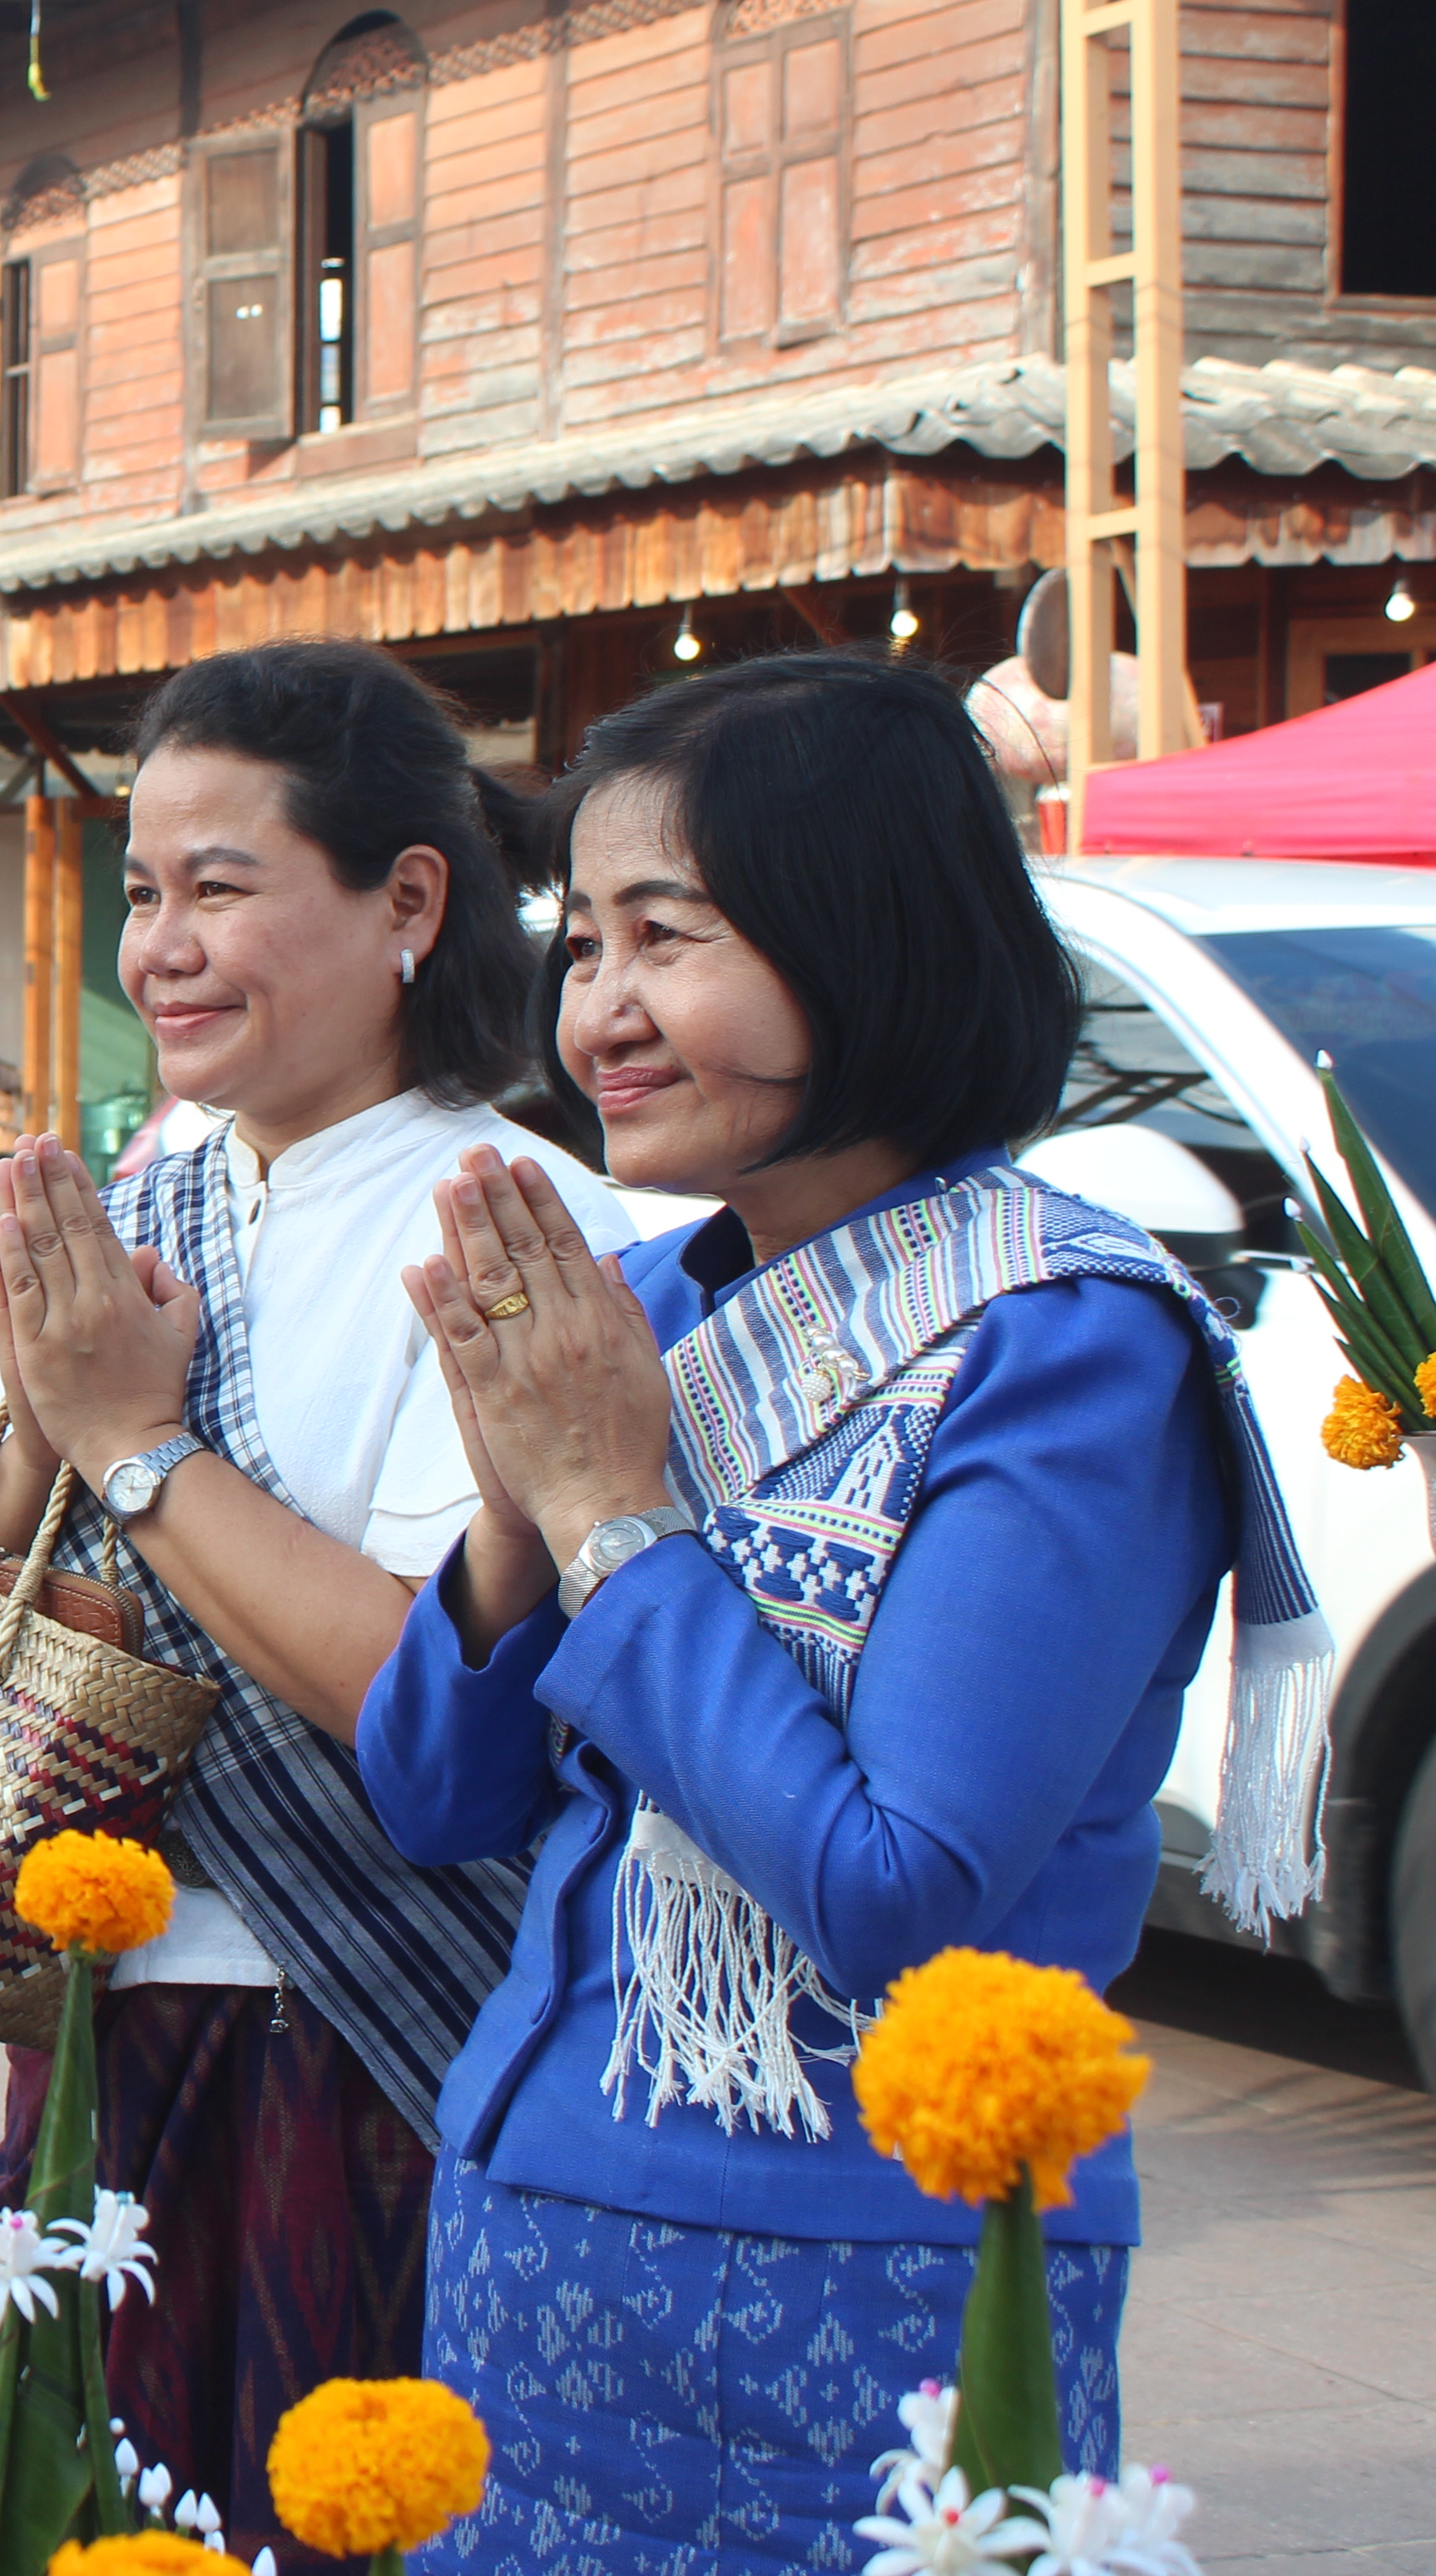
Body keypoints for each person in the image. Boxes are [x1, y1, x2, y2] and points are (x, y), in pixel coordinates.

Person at [359, 652, 1320, 2575]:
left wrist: (607, 1512)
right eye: (582, 942)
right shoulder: (644, 1306)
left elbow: (896, 1883)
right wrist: (519, 1513)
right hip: (532, 2227)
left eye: (667, 935)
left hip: (866, 2281)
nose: (598, 1010)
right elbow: (433, 1794)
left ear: (867, 937)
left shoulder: (1064, 1346)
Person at [0, 641, 633, 2572]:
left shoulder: (505, 1218)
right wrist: (50, 1421)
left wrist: (135, 1446)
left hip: (347, 2036)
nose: (159, 948)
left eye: (219, 888)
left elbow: (426, 1691)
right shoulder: (148, 1188)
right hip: (98, 2013)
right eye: (142, 891)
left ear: (408, 900)